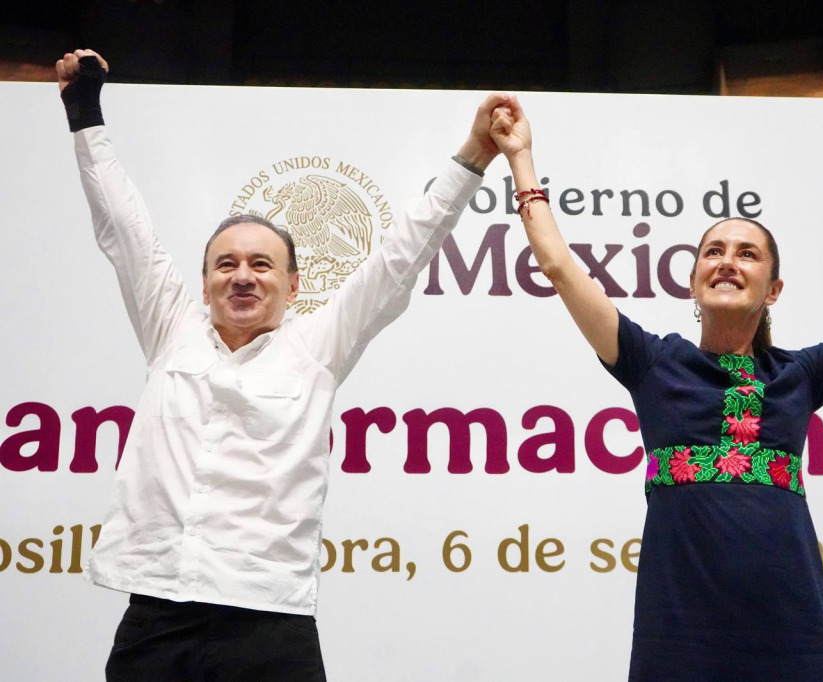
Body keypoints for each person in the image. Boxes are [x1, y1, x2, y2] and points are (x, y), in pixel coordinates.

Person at [57, 48, 508, 681]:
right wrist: (84, 113)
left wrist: (475, 154)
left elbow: (401, 256)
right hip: (156, 614)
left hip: (269, 623)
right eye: (226, 264)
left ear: (294, 286)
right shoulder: (170, 330)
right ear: (205, 282)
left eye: (261, 265)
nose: (242, 276)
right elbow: (123, 227)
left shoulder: (317, 348)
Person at [489, 97, 823, 680]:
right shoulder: (652, 363)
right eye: (713, 252)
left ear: (773, 289)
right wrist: (521, 159)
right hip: (679, 632)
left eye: (747, 254)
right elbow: (561, 269)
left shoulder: (801, 375)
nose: (727, 262)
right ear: (693, 283)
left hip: (790, 630)